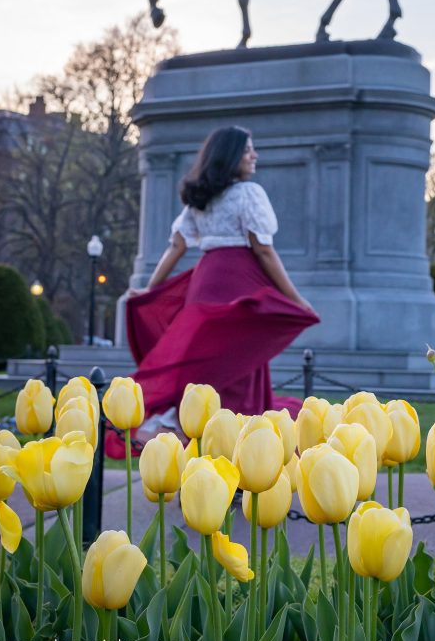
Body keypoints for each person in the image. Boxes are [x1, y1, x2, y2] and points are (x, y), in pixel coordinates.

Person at [119, 126, 319, 446]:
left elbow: (176, 246)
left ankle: (199, 439)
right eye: (246, 150)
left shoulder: (201, 198)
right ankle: (238, 449)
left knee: (206, 361)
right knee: (238, 363)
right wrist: (295, 298)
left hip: (205, 282)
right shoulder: (248, 193)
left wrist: (150, 288)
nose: (254, 155)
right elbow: (263, 250)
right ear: (229, 157)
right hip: (239, 282)